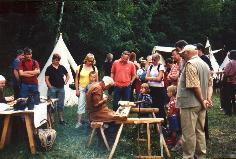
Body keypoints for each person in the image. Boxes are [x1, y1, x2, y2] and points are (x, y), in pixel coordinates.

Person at [176, 44, 213, 159]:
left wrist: (203, 100)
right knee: (200, 131)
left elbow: (194, 85)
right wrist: (208, 99)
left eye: (183, 54)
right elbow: (210, 84)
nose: (182, 56)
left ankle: (188, 156)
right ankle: (201, 155)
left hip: (190, 104)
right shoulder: (205, 64)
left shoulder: (190, 64)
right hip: (200, 104)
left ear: (188, 53)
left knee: (188, 134)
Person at [45, 53, 70, 125]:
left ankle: (61, 120)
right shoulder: (49, 68)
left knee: (61, 104)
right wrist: (50, 87)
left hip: (61, 89)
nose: (57, 62)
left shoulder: (62, 67)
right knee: (52, 105)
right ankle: (52, 120)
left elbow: (67, 75)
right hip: (52, 88)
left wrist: (65, 82)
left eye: (59, 60)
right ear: (53, 60)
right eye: (56, 60)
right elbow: (46, 79)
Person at [75, 53, 98, 128]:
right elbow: (76, 79)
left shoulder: (94, 68)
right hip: (81, 88)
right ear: (86, 60)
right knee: (81, 104)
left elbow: (97, 81)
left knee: (90, 105)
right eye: (89, 61)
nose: (90, 62)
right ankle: (79, 122)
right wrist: (77, 90)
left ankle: (90, 120)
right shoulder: (80, 67)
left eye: (92, 61)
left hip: (91, 89)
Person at [145, 53, 167, 121]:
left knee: (160, 106)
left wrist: (151, 78)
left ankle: (162, 122)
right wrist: (155, 78)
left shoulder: (161, 67)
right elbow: (146, 77)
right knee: (152, 105)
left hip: (159, 89)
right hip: (151, 88)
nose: (153, 61)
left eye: (154, 60)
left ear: (158, 60)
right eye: (152, 60)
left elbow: (159, 79)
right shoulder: (150, 67)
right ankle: (153, 121)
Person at [222, 50, 236, 116]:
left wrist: (222, 81)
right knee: (235, 98)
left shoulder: (230, 63)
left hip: (230, 82)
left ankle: (229, 112)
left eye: (229, 54)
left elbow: (225, 73)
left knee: (228, 98)